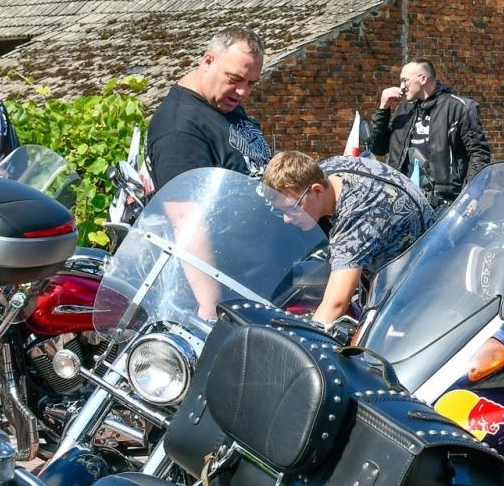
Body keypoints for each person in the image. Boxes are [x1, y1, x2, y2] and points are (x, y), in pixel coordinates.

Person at [264, 150, 434, 325]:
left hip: (418, 290)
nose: (286, 219)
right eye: (280, 211)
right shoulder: (326, 171)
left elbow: (335, 304)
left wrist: (302, 343)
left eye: (291, 209)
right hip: (398, 265)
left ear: (317, 191)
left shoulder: (356, 217)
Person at [147, 25, 272, 190]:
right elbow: (184, 213)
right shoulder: (179, 130)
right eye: (234, 78)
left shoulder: (224, 103)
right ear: (208, 61)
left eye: (251, 83)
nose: (242, 91)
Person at [370, 58, 491, 205]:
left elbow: (479, 153)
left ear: (422, 79)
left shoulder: (458, 107)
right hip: (404, 198)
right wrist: (383, 108)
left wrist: (472, 193)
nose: (401, 87)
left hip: (444, 202)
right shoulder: (405, 110)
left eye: (405, 81)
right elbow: (378, 148)